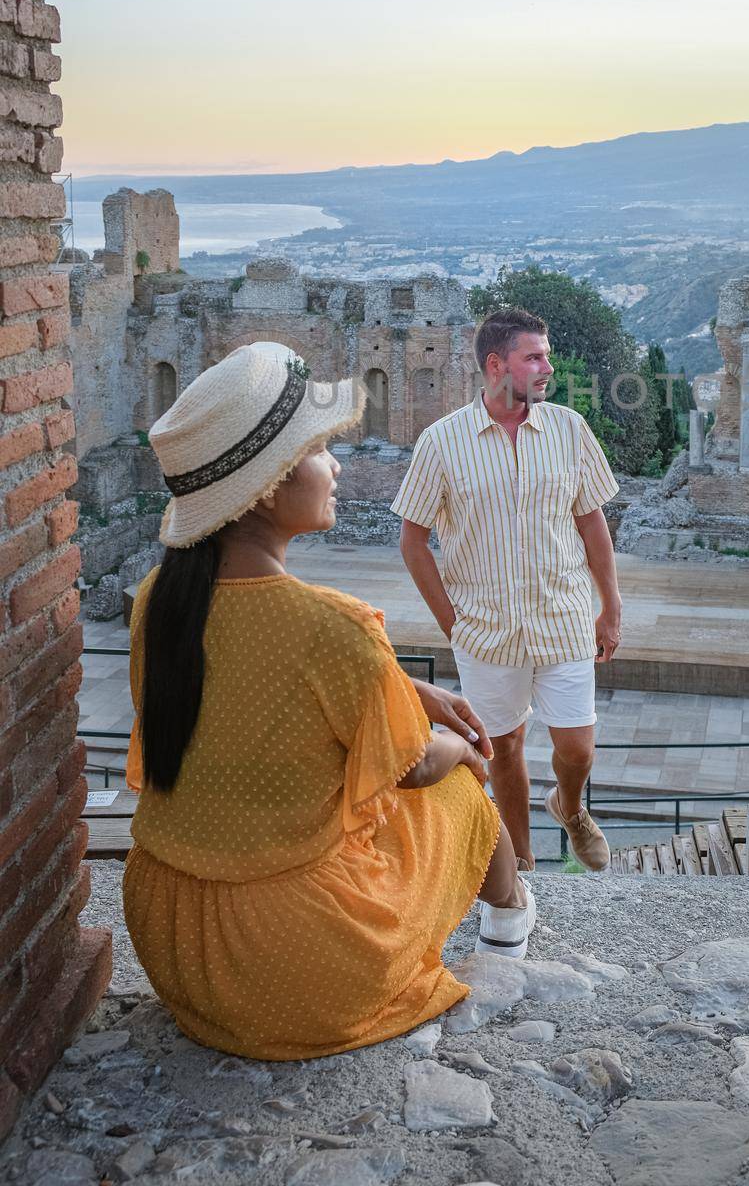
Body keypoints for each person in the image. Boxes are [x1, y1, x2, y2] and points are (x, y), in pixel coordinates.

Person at [122, 342, 533, 1063]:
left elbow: (244, 682)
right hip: (299, 960)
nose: (336, 465)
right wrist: (464, 749)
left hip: (176, 941)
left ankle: (508, 917)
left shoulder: (159, 600)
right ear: (264, 488)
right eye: (318, 449)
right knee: (459, 786)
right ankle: (510, 920)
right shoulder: (331, 625)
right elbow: (411, 766)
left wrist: (407, 689)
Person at [391, 307, 622, 873]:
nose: (548, 366)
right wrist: (454, 624)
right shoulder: (441, 443)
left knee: (577, 747)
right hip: (485, 633)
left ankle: (569, 806)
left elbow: (592, 522)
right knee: (506, 749)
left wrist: (611, 606)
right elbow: (413, 540)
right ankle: (522, 863)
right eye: (534, 357)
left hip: (563, 618)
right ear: (497, 365)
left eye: (546, 354)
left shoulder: (569, 429)